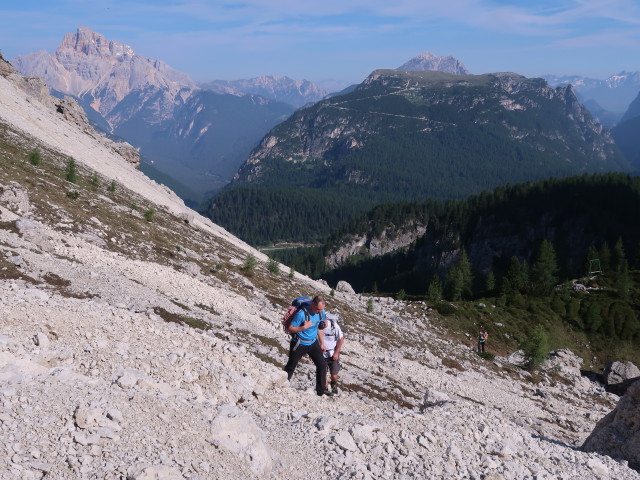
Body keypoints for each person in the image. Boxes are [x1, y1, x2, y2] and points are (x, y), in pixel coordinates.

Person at [284, 295, 334, 397]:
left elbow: (320, 328)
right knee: (291, 366)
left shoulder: (321, 313)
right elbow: (290, 328)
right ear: (313, 304)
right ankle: (283, 385)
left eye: (322, 309)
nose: (320, 311)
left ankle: (321, 391)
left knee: (322, 365)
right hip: (299, 343)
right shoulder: (302, 314)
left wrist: (322, 343)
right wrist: (303, 327)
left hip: (313, 342)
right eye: (318, 309)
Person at [322, 312, 344, 396]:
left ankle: (334, 385)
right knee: (323, 374)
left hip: (332, 353)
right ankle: (326, 391)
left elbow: (341, 339)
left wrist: (336, 352)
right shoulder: (317, 326)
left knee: (334, 375)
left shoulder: (334, 326)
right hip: (322, 353)